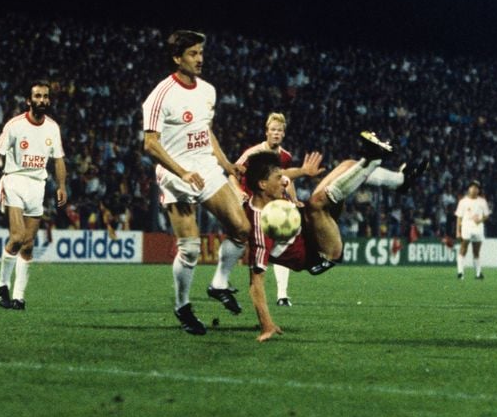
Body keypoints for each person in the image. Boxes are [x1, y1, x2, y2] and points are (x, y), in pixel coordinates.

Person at [245, 131, 418, 342]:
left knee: (346, 166)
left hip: (312, 226)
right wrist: (267, 324)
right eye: (278, 178)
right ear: (262, 184)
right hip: (320, 254)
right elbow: (256, 281)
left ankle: (400, 181)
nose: (284, 181)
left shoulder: (272, 194)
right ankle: (373, 159)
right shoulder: (261, 222)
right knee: (316, 202)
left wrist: (300, 175)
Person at [142, 30, 251, 335]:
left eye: (201, 52)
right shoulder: (160, 96)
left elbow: (206, 131)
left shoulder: (207, 91)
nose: (200, 59)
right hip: (175, 174)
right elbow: (150, 145)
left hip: (205, 166)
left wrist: (227, 163)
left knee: (241, 229)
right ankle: (182, 306)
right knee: (190, 249)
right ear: (177, 58)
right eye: (192, 54)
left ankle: (218, 282)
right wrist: (180, 172)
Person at [0, 81, 68, 311]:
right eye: (37, 97)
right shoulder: (15, 125)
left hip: (37, 185)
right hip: (14, 180)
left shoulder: (52, 128)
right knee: (18, 236)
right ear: (29, 101)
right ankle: (3, 285)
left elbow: (58, 159)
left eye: (45, 97)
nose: (42, 100)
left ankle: (19, 297)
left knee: (28, 245)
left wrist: (61, 185)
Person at [233, 112, 317, 307]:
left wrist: (294, 200)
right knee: (243, 243)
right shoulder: (253, 153)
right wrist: (239, 193)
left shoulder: (285, 156)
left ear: (284, 133)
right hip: (251, 205)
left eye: (279, 130)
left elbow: (286, 179)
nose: (276, 133)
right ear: (266, 132)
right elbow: (233, 172)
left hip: (272, 205)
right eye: (273, 130)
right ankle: (222, 282)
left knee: (282, 238)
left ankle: (282, 295)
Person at [455, 180, 490, 280]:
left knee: (476, 251)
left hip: (478, 228)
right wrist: (457, 231)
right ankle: (460, 272)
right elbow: (459, 217)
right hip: (466, 227)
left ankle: (478, 274)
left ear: (478, 190)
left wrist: (480, 220)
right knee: (463, 248)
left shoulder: (482, 201)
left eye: (476, 187)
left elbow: (487, 215)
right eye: (472, 187)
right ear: (469, 189)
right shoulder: (463, 201)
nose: (474, 189)